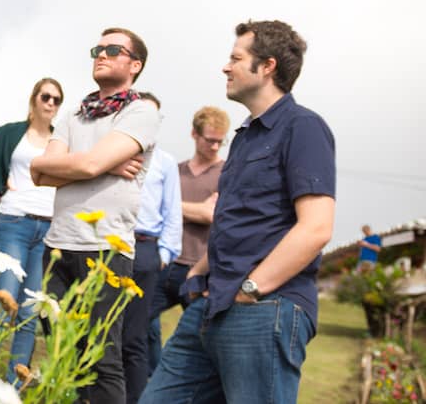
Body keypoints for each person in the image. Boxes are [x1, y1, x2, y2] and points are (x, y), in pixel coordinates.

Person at [141, 20, 336, 404]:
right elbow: (238, 221)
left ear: (267, 67)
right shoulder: (245, 138)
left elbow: (316, 228)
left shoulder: (304, 128)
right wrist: (198, 276)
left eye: (236, 58)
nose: (226, 67)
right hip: (211, 306)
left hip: (263, 309)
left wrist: (252, 289)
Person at [31, 28, 160, 404]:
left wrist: (83, 165)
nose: (101, 54)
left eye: (113, 49)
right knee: (61, 355)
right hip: (58, 247)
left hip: (105, 249)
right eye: (97, 49)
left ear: (134, 65)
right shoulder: (74, 111)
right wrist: (103, 166)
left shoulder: (141, 111)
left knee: (103, 359)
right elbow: (39, 171)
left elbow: (79, 164)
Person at [0, 77, 64, 383]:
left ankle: (13, 386)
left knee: (29, 311)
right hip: (15, 221)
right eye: (46, 97)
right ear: (34, 99)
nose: (50, 103)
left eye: (56, 99)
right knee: (3, 299)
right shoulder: (14, 134)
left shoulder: (61, 141)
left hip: (48, 228)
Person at [147, 105, 230, 373]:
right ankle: (149, 383)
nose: (216, 146)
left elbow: (212, 215)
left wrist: (171, 206)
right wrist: (193, 209)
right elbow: (152, 208)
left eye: (221, 140)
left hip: (201, 269)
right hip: (166, 262)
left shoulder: (227, 174)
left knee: (202, 339)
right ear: (194, 134)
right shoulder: (176, 170)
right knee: (138, 325)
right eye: (210, 140)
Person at [121, 92, 181, 404]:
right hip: (113, 245)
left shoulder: (165, 163)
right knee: (105, 332)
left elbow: (173, 211)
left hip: (145, 249)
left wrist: (164, 254)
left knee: (135, 336)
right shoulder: (116, 153)